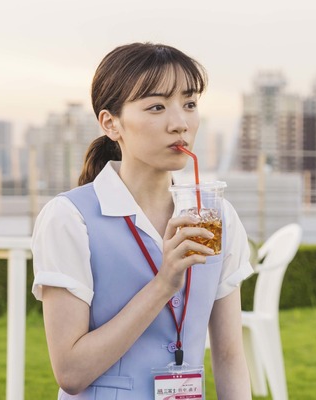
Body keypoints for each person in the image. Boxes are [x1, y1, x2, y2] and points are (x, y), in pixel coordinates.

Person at [31, 42, 254, 399]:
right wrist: (164, 282)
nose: (180, 123)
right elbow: (70, 373)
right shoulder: (70, 218)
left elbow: (229, 356)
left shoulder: (217, 216)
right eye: (156, 107)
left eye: (190, 104)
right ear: (111, 123)